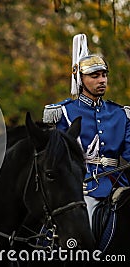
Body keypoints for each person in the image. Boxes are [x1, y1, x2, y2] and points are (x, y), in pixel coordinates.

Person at [43, 33, 130, 230]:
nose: (102, 80)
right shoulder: (63, 112)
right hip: (82, 189)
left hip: (118, 186)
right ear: (80, 79)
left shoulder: (121, 114)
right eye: (95, 76)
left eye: (104, 75)